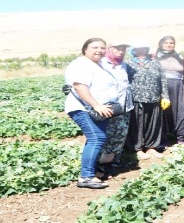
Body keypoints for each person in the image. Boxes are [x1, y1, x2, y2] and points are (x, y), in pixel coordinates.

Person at [64, 38, 118, 189]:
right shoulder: (81, 64)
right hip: (84, 108)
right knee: (97, 138)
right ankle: (86, 177)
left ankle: (91, 171)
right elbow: (80, 86)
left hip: (98, 109)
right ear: (85, 49)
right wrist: (96, 105)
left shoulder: (97, 64)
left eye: (102, 48)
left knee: (95, 139)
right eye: (95, 47)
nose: (99, 50)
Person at [126, 41, 170, 159]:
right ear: (133, 51)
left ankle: (151, 147)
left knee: (154, 124)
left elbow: (163, 80)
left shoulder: (155, 63)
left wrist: (165, 96)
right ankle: (137, 148)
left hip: (154, 98)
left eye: (144, 49)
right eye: (139, 49)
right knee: (137, 125)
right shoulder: (128, 64)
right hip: (136, 99)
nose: (142, 51)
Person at [98, 41, 134, 173]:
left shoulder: (122, 64)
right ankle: (102, 162)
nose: (121, 51)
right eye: (118, 49)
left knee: (121, 134)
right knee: (113, 133)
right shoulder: (101, 63)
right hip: (111, 104)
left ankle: (114, 162)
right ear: (110, 49)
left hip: (125, 104)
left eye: (123, 49)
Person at [156, 36, 184, 146]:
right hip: (162, 88)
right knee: (163, 113)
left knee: (182, 112)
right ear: (161, 44)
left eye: (172, 43)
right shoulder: (155, 58)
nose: (169, 45)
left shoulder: (180, 57)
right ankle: (162, 140)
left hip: (179, 86)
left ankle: (181, 138)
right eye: (166, 42)